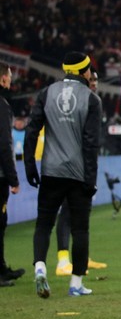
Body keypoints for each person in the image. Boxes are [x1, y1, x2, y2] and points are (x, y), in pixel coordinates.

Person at [24, 52, 102, 298]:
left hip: (50, 172)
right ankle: (76, 284)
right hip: (78, 175)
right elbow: (91, 144)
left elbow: (32, 130)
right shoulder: (91, 99)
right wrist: (91, 179)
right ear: (85, 71)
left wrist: (29, 166)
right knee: (80, 230)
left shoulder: (46, 93)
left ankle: (39, 268)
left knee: (44, 225)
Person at [55, 72, 108, 276]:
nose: (93, 84)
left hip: (84, 165)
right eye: (91, 80)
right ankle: (62, 261)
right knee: (67, 211)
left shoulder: (92, 103)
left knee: (81, 212)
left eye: (95, 80)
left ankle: (81, 257)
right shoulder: (71, 104)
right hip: (69, 165)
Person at [0, 63, 24, 286]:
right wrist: (13, 179)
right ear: (2, 80)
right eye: (8, 77)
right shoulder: (3, 106)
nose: (11, 81)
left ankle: (2, 268)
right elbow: (5, 145)